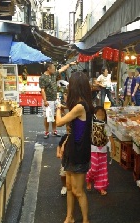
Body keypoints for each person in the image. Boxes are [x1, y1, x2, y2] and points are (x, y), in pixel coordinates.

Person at [56, 71, 94, 223]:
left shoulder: (80, 106)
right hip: (73, 150)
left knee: (78, 191)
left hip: (78, 153)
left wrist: (58, 108)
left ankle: (85, 220)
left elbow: (59, 122)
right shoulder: (82, 104)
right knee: (70, 187)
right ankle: (69, 217)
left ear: (75, 87)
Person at [39, 62, 74, 139]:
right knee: (47, 117)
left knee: (55, 116)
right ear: (48, 69)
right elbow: (42, 90)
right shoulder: (42, 78)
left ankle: (54, 131)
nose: (54, 70)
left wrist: (70, 64)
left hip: (55, 99)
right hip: (48, 100)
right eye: (53, 68)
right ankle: (47, 131)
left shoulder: (53, 74)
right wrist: (45, 101)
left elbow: (62, 69)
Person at [86, 106, 115, 195]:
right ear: (94, 115)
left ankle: (101, 187)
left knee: (103, 169)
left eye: (102, 114)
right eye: (98, 114)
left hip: (103, 151)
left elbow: (111, 138)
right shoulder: (91, 125)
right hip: (93, 150)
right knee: (94, 168)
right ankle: (89, 179)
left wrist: (113, 149)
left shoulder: (106, 126)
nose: (100, 115)